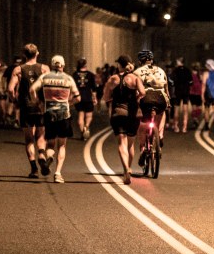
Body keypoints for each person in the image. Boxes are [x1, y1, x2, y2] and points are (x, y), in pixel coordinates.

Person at [30, 55, 80, 184]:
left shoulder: (44, 77)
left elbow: (32, 89)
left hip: (49, 113)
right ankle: (58, 174)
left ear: (52, 65)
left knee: (50, 143)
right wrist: (69, 103)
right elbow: (78, 97)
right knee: (62, 145)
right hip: (64, 114)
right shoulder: (68, 78)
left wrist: (37, 102)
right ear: (63, 65)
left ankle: (49, 157)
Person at [8, 44, 49, 178]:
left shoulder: (18, 69)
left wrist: (14, 100)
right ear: (37, 53)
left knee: (29, 138)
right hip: (40, 106)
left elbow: (10, 89)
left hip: (25, 107)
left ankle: (34, 169)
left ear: (24, 55)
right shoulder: (44, 68)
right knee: (41, 136)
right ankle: (42, 154)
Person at [107, 55, 144, 184]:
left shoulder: (113, 79)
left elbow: (106, 97)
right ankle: (129, 167)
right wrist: (137, 97)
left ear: (119, 65)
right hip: (132, 115)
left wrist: (113, 98)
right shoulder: (135, 78)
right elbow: (143, 92)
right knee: (130, 143)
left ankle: (125, 170)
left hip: (118, 113)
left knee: (121, 143)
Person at [134, 49, 170, 148]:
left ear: (140, 61)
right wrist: (168, 102)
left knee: (141, 124)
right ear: (152, 60)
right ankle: (160, 134)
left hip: (145, 99)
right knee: (162, 113)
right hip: (160, 98)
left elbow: (134, 89)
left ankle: (142, 148)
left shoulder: (136, 72)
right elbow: (166, 89)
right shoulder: (161, 71)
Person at [72, 58, 99, 140]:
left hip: (78, 97)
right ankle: (86, 127)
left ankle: (82, 132)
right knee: (89, 116)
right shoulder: (90, 74)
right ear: (85, 65)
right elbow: (93, 88)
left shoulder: (75, 74)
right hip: (88, 97)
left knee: (80, 116)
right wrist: (94, 98)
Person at [169, 58, 193, 133]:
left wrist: (174, 84)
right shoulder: (187, 70)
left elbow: (171, 81)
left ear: (179, 62)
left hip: (177, 92)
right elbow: (191, 82)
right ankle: (184, 127)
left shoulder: (175, 70)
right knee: (185, 110)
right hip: (186, 92)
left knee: (176, 109)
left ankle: (176, 126)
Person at [188, 62, 203, 130]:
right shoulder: (200, 75)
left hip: (193, 94)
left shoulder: (191, 75)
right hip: (197, 94)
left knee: (195, 108)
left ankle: (195, 119)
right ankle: (195, 120)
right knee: (199, 109)